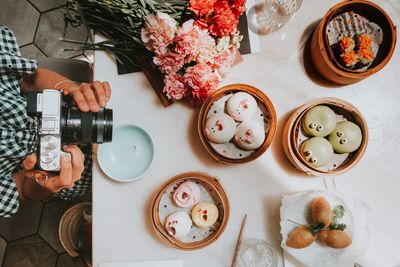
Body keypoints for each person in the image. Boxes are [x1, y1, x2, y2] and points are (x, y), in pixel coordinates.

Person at [0, 25, 111, 217]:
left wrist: (72, 90)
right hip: (59, 166)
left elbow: (28, 80)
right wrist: (49, 184)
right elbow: (23, 190)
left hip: (69, 108)